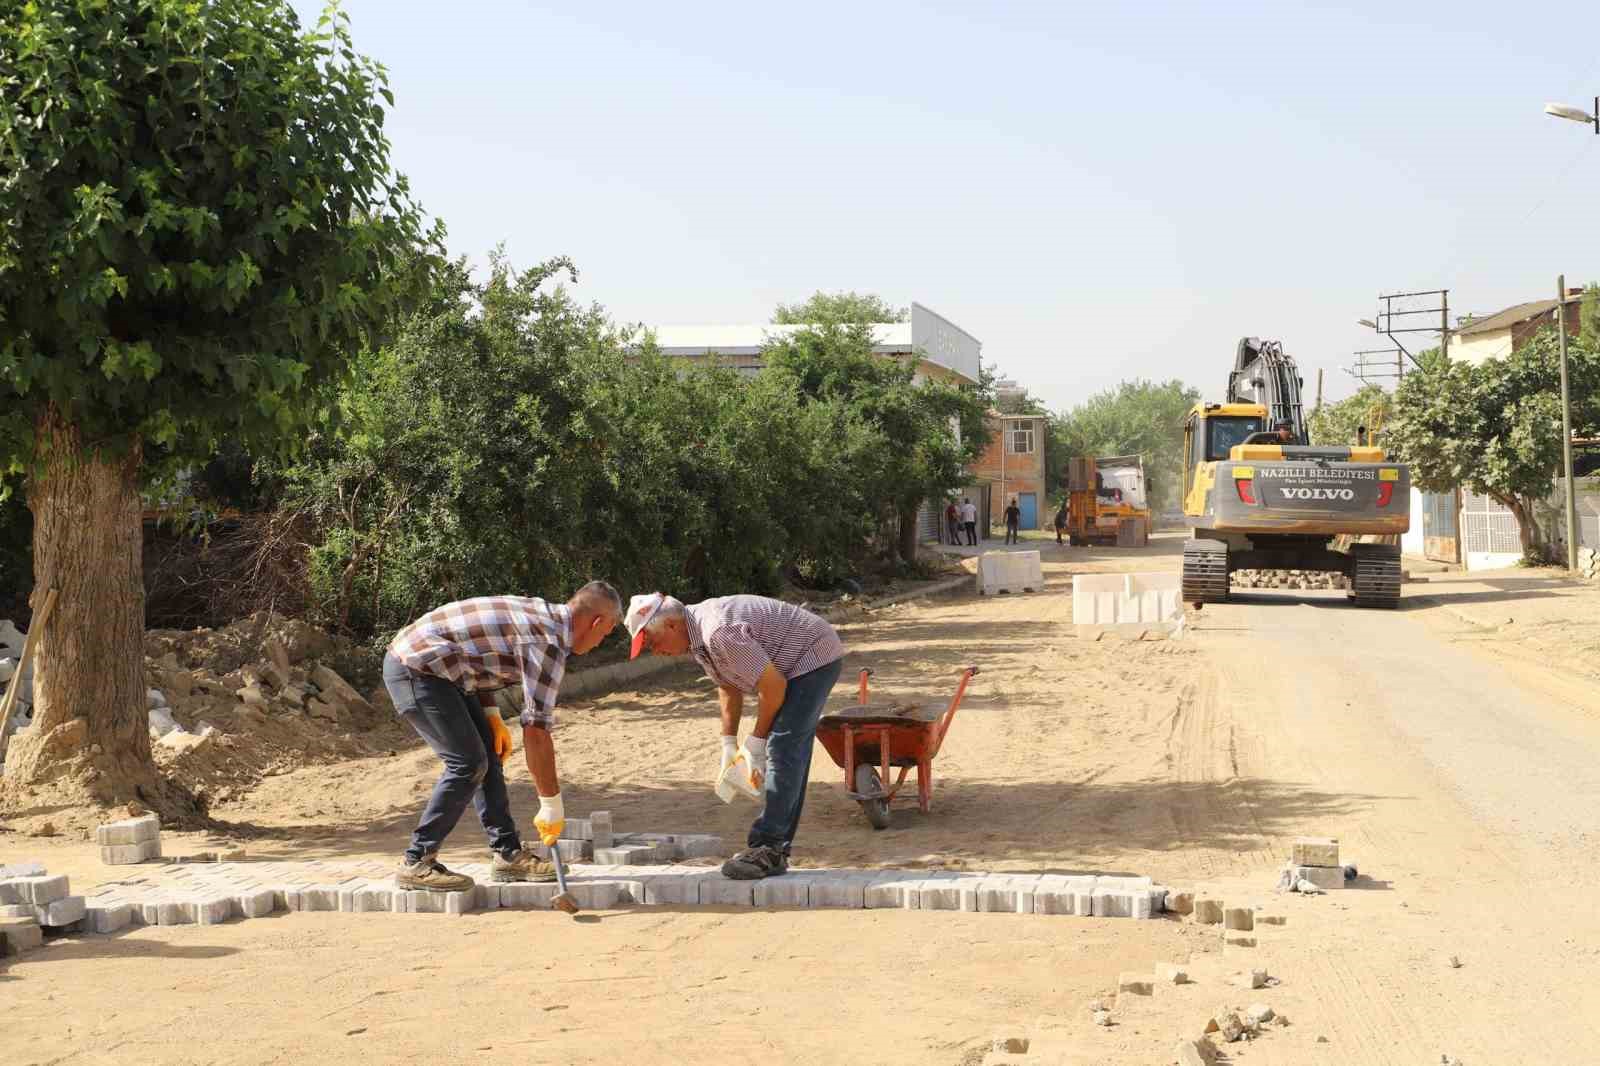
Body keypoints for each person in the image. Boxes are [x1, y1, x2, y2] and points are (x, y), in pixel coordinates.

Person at [383, 581, 623, 892]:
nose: (600, 642)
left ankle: (508, 855)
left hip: (447, 671)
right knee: (468, 764)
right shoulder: (547, 641)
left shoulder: (545, 616)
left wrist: (491, 714)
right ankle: (416, 861)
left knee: (488, 756)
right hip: (416, 669)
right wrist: (551, 804)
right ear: (597, 622)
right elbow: (536, 730)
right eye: (605, 634)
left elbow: (477, 656)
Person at [626, 591, 845, 880]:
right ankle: (776, 847)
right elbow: (727, 686)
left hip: (813, 655)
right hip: (791, 661)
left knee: (782, 747)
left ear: (670, 626)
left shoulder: (719, 632)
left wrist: (756, 740)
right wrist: (728, 743)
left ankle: (768, 847)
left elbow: (774, 687)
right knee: (788, 750)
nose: (656, 652)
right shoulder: (697, 636)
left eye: (652, 643)